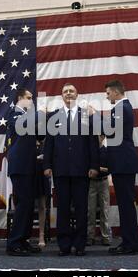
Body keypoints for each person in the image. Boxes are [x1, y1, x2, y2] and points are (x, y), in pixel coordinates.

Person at [43, 83, 99, 256]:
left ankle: (80, 245)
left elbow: (92, 143)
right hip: (60, 171)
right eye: (65, 91)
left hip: (82, 170)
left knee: (82, 209)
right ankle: (64, 245)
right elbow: (49, 143)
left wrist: (94, 166)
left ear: (77, 94)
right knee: (63, 210)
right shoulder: (53, 117)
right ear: (61, 96)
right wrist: (47, 165)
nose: (68, 93)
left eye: (71, 91)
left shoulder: (86, 116)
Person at [103, 79, 138, 255]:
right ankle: (129, 242)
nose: (107, 96)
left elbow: (109, 129)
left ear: (116, 92)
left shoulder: (122, 108)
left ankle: (131, 245)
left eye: (108, 93)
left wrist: (93, 115)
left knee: (126, 206)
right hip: (121, 163)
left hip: (124, 163)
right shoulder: (122, 108)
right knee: (125, 206)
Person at [5, 88, 42, 256]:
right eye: (29, 98)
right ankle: (14, 243)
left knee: (28, 205)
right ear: (20, 99)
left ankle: (24, 240)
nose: (31, 100)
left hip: (29, 165)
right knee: (22, 204)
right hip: (20, 166)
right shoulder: (15, 114)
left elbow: (39, 135)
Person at [86, 135, 111, 247]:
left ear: (103, 137)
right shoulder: (90, 152)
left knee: (104, 210)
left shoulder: (106, 151)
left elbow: (110, 168)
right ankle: (90, 236)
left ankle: (105, 236)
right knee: (90, 210)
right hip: (92, 182)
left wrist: (98, 168)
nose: (97, 139)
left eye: (99, 137)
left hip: (103, 182)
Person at [35, 139, 51, 247]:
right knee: (26, 204)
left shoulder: (46, 138)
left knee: (42, 205)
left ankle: (41, 235)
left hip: (42, 172)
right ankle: (25, 234)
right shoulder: (28, 136)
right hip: (29, 171)